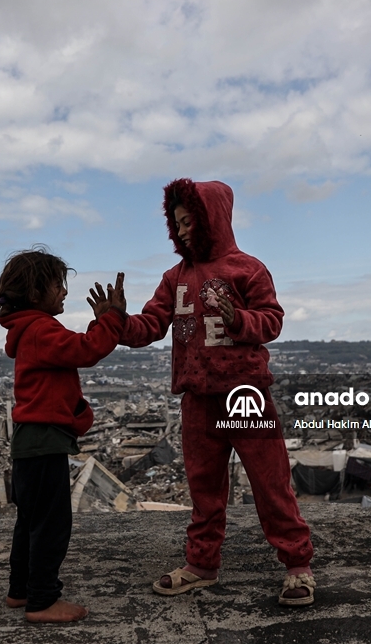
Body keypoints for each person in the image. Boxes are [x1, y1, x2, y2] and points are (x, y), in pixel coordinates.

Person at [120, 179, 316, 606]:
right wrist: (117, 320)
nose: (184, 230)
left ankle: (298, 565)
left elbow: (272, 320)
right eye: (178, 224)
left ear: (212, 219)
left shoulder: (248, 269)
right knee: (203, 488)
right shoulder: (175, 278)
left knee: (270, 483)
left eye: (190, 221)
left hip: (245, 394)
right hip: (197, 399)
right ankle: (201, 564)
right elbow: (150, 325)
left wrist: (240, 319)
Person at [0, 247, 126, 623]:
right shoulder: (40, 329)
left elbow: (63, 367)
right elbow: (86, 350)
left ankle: (20, 591)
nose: (65, 292)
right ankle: (42, 601)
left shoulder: (28, 332)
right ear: (36, 293)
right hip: (43, 441)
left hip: (28, 442)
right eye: (58, 285)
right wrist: (112, 318)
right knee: (52, 524)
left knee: (30, 522)